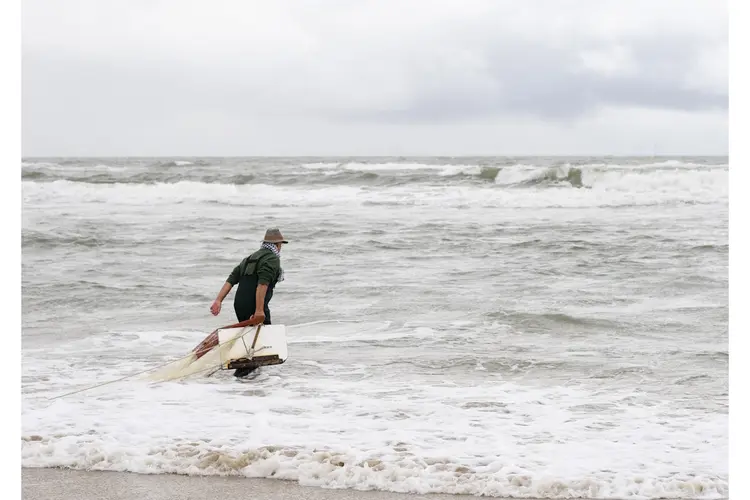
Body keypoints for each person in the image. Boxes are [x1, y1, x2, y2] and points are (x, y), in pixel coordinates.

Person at [210, 228, 288, 377]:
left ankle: (246, 379)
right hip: (254, 304)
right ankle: (243, 377)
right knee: (262, 341)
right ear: (277, 244)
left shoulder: (251, 257)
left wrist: (218, 300)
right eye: (281, 244)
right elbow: (263, 284)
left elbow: (231, 279)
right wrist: (259, 310)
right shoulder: (272, 258)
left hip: (240, 304)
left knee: (252, 341)